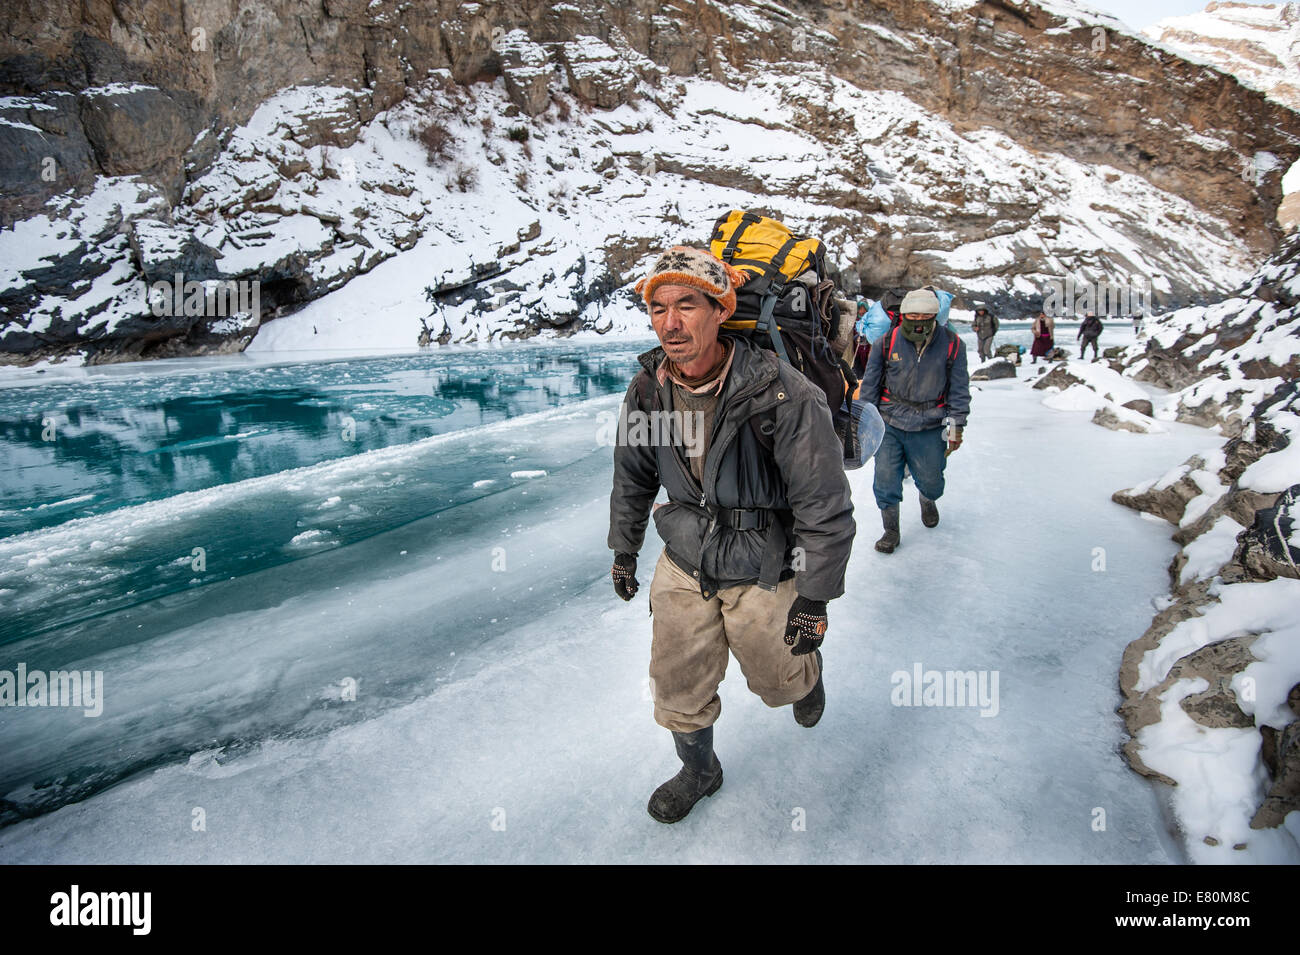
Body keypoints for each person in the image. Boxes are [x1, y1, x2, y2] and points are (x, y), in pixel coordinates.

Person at [607, 246, 856, 824]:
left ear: (720, 310)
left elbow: (823, 503)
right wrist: (624, 549)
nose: (670, 323)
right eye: (658, 307)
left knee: (777, 678)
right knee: (676, 679)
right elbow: (634, 474)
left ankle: (805, 681)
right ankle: (700, 770)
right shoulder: (649, 390)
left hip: (764, 558)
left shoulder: (781, 393)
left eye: (687, 305)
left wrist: (814, 597)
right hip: (685, 555)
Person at [859, 288, 970, 553]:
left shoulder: (953, 344)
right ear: (903, 315)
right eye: (912, 315)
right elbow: (870, 386)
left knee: (932, 480)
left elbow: (959, 389)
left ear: (935, 317)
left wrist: (956, 426)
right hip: (890, 421)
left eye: (925, 316)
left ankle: (927, 498)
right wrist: (864, 424)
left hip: (931, 424)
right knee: (885, 479)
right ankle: (890, 531)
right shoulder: (885, 343)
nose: (918, 321)